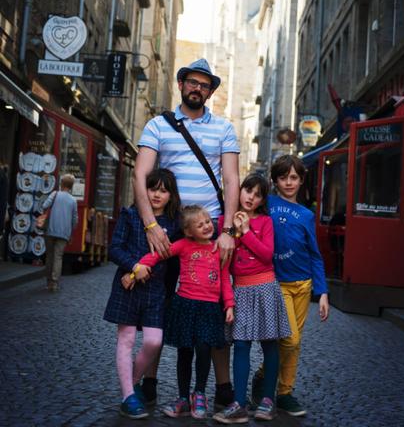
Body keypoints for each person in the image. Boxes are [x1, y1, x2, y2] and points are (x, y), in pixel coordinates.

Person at [133, 58, 240, 407]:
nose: (197, 88)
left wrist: (226, 230)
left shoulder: (224, 129)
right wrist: (151, 224)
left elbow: (232, 179)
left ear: (210, 91)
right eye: (192, 82)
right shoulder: (157, 126)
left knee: (214, 307)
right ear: (181, 84)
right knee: (159, 305)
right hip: (167, 231)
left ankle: (223, 387)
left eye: (204, 85)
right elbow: (140, 175)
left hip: (209, 235)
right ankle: (149, 380)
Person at [123, 205, 235, 420]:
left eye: (207, 222)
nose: (206, 226)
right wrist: (136, 268)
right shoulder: (182, 245)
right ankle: (183, 397)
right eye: (199, 224)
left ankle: (199, 393)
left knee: (204, 350)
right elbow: (157, 256)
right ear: (188, 231)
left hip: (209, 307)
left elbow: (225, 279)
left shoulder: (218, 248)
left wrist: (229, 304)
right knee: (185, 352)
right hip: (185, 305)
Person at [252, 155, 329, 418]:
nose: (289, 182)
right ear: (274, 181)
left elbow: (315, 255)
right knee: (289, 338)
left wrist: (323, 293)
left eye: (294, 177)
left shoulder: (307, 215)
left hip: (303, 285)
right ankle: (264, 375)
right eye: (283, 177)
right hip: (277, 284)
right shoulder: (266, 204)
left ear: (301, 180)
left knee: (295, 344)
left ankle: (284, 393)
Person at [213, 173, 291, 424]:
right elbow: (223, 265)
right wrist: (228, 300)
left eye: (257, 195)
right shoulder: (225, 223)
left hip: (265, 286)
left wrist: (246, 230)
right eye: (248, 191)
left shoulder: (265, 222)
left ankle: (268, 400)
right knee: (242, 344)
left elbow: (267, 255)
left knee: (270, 344)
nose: (251, 197)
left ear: (261, 200)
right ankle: (239, 402)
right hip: (241, 290)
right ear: (240, 191)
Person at [104, 168, 181, 419]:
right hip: (128, 287)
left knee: (154, 342)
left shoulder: (174, 223)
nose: (157, 194)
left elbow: (176, 257)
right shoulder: (130, 215)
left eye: (163, 190)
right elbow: (114, 249)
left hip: (156, 291)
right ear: (143, 189)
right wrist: (134, 267)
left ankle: (133, 381)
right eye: (152, 188)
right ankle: (128, 396)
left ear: (171, 195)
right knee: (125, 340)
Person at [43, 173, 78, 292]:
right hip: (64, 232)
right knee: (58, 257)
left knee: (49, 256)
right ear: (71, 186)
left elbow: (44, 205)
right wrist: (71, 232)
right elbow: (75, 219)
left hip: (51, 229)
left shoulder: (55, 194)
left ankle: (48, 281)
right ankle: (54, 283)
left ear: (61, 184)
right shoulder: (73, 200)